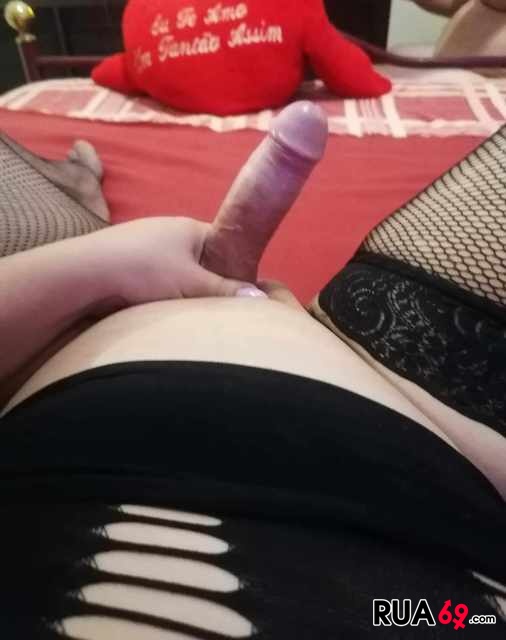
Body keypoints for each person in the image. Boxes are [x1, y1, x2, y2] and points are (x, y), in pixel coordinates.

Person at [0, 103, 505, 639]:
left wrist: (94, 264)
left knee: (42, 239)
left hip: (61, 366)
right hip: (422, 433)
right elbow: (452, 615)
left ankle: (72, 221)